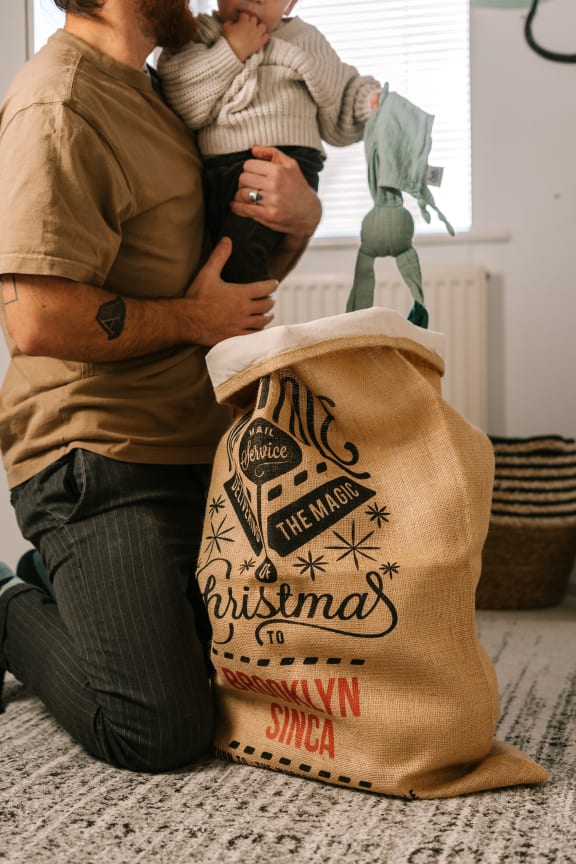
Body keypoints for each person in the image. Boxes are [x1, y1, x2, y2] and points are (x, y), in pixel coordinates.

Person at [0, 0, 321, 773]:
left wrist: (302, 221)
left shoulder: (159, 91)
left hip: (199, 444)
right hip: (99, 457)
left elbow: (224, 297)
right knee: (158, 729)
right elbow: (35, 321)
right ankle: (13, 608)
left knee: (289, 677)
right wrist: (189, 319)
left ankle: (79, 590)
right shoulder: (61, 104)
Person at [157, 0, 381, 282]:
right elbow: (183, 99)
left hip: (283, 165)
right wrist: (231, 49)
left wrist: (371, 104)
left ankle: (243, 315)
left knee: (239, 254)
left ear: (290, 4)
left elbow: (344, 90)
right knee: (206, 256)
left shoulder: (303, 38)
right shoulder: (199, 34)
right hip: (216, 173)